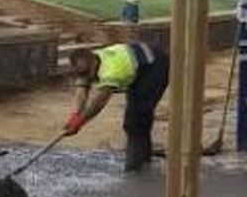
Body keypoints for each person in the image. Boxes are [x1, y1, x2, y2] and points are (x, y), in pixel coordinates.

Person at [63, 41, 171, 171]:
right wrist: (74, 115)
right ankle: (143, 157)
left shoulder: (111, 72)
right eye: (81, 74)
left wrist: (80, 122)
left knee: (134, 121)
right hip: (138, 64)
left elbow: (98, 103)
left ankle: (134, 169)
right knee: (139, 115)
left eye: (86, 74)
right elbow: (81, 91)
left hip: (155, 66)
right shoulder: (89, 60)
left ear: (93, 63)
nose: (84, 78)